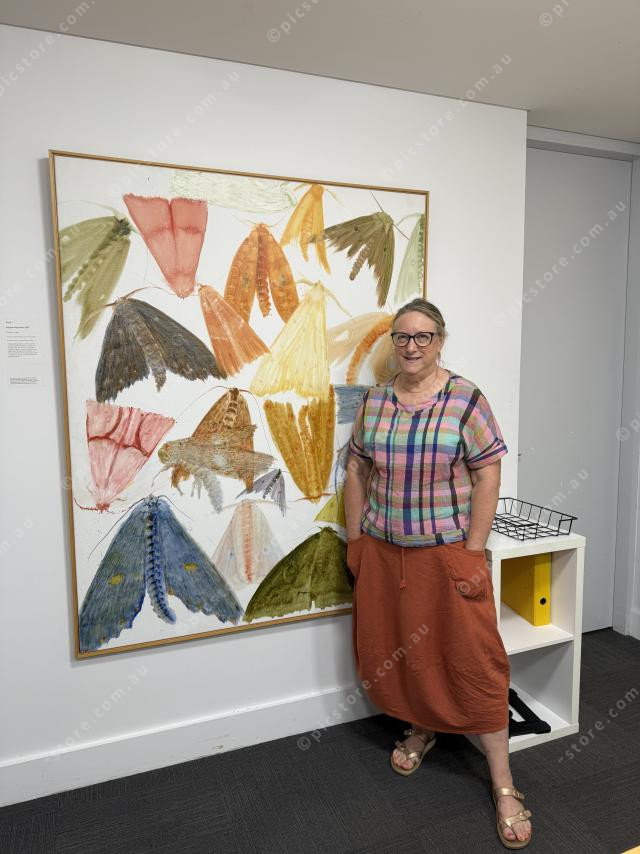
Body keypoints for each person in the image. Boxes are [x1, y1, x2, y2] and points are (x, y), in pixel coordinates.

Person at [344, 298, 532, 848]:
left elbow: (488, 475)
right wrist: (355, 540)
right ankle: (422, 728)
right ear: (393, 343)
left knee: (477, 661)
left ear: (440, 341)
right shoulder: (375, 402)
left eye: (423, 336)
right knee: (405, 649)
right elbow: (356, 468)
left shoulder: (466, 400)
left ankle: (503, 785)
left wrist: (472, 552)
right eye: (402, 337)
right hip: (384, 552)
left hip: (446, 553)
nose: (412, 346)